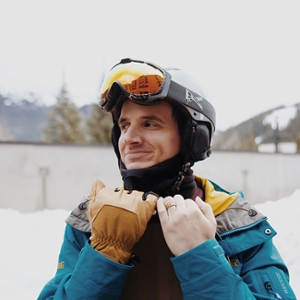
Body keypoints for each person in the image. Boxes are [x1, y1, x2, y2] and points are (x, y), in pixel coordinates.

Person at [38, 58, 296, 300]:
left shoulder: (237, 223)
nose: (129, 138)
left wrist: (200, 256)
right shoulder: (91, 220)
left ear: (193, 138)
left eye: (149, 124)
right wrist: (105, 250)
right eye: (125, 125)